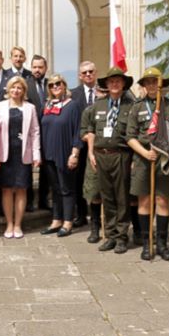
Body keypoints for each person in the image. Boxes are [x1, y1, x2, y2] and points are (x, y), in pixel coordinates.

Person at [125, 67, 169, 260]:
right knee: (145, 201)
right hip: (143, 159)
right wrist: (145, 152)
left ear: (161, 84)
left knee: (162, 200)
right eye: (147, 82)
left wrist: (162, 148)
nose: (151, 85)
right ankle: (147, 243)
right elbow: (130, 137)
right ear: (143, 85)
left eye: (154, 82)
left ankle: (162, 244)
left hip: (164, 160)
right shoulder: (137, 107)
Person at [82, 66, 133, 254]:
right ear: (107, 84)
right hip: (101, 155)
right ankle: (110, 235)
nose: (114, 84)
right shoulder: (98, 105)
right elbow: (91, 130)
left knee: (122, 198)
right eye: (111, 81)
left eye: (118, 81)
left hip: (121, 155)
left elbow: (134, 133)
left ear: (123, 84)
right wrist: (91, 153)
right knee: (107, 197)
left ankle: (122, 237)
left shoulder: (131, 106)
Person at [0, 75, 41, 238]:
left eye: (19, 87)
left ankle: (18, 225)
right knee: (6, 189)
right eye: (13, 87)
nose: (16, 90)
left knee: (21, 188)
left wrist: (36, 154)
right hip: (5, 154)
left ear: (24, 90)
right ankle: (9, 224)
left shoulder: (30, 108)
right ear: (8, 89)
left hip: (23, 153)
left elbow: (35, 131)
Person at [38, 74, 82, 236]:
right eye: (51, 85)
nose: (55, 87)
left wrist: (74, 153)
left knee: (66, 188)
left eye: (58, 83)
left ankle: (68, 221)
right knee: (55, 188)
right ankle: (56, 220)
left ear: (64, 85)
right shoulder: (47, 105)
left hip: (64, 152)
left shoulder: (73, 105)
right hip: (48, 153)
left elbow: (78, 131)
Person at [70, 61, 99, 230]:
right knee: (78, 180)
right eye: (84, 73)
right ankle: (81, 215)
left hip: (101, 145)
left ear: (96, 73)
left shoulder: (104, 92)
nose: (88, 74)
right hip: (80, 144)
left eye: (90, 71)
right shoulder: (73, 94)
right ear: (80, 76)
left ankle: (100, 218)